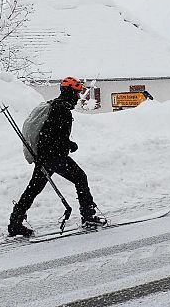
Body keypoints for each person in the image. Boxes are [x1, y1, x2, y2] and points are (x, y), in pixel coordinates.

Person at [8, 76, 105, 237]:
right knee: (80, 177)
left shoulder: (55, 105)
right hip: (54, 157)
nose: (78, 97)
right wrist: (69, 145)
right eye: (76, 93)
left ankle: (15, 223)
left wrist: (62, 145)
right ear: (69, 93)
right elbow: (54, 137)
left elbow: (50, 134)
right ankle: (88, 216)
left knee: (33, 189)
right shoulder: (62, 110)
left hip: (45, 157)